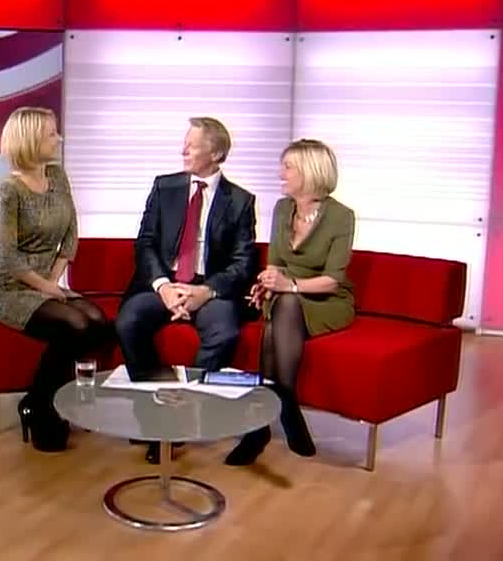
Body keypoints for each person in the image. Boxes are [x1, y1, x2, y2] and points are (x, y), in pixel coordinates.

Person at [115, 117, 258, 463]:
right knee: (129, 322)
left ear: (216, 153)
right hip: (164, 284)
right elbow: (145, 243)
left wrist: (205, 292)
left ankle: (178, 421)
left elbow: (242, 264)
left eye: (191, 145)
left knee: (223, 334)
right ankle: (155, 414)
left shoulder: (240, 200)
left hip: (209, 288)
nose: (183, 150)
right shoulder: (164, 187)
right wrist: (164, 287)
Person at [0, 106, 111, 453]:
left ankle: (36, 398)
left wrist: (54, 280)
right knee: (75, 325)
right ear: (29, 140)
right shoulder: (9, 191)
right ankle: (46, 412)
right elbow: (9, 257)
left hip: (48, 279)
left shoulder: (58, 176)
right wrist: (46, 288)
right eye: (51, 134)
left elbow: (70, 234)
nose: (59, 139)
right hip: (11, 287)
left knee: (98, 322)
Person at [225, 138, 356, 466]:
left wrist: (290, 286)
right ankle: (282, 409)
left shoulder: (341, 217)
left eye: (287, 167)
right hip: (285, 297)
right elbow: (276, 263)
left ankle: (264, 424)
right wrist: (267, 283)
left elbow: (333, 279)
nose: (280, 173)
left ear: (310, 172)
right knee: (280, 310)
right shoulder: (283, 208)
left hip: (325, 300)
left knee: (282, 311)